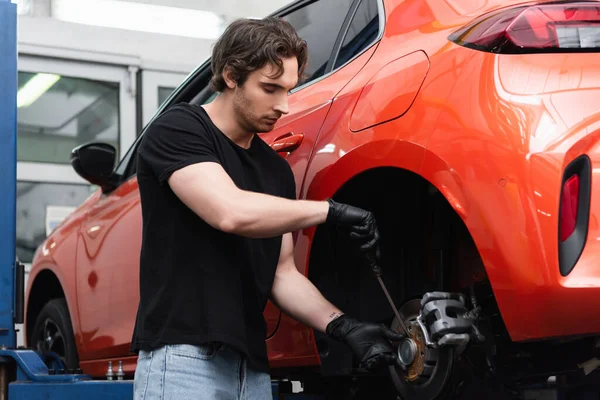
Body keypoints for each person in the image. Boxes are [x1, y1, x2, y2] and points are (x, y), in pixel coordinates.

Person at [131, 17, 403, 400]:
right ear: (230, 75)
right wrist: (328, 211)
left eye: (289, 90)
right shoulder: (179, 129)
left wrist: (343, 326)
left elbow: (281, 273)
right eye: (270, 88)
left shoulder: (274, 170)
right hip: (183, 358)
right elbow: (230, 212)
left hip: (252, 368)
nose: (283, 106)